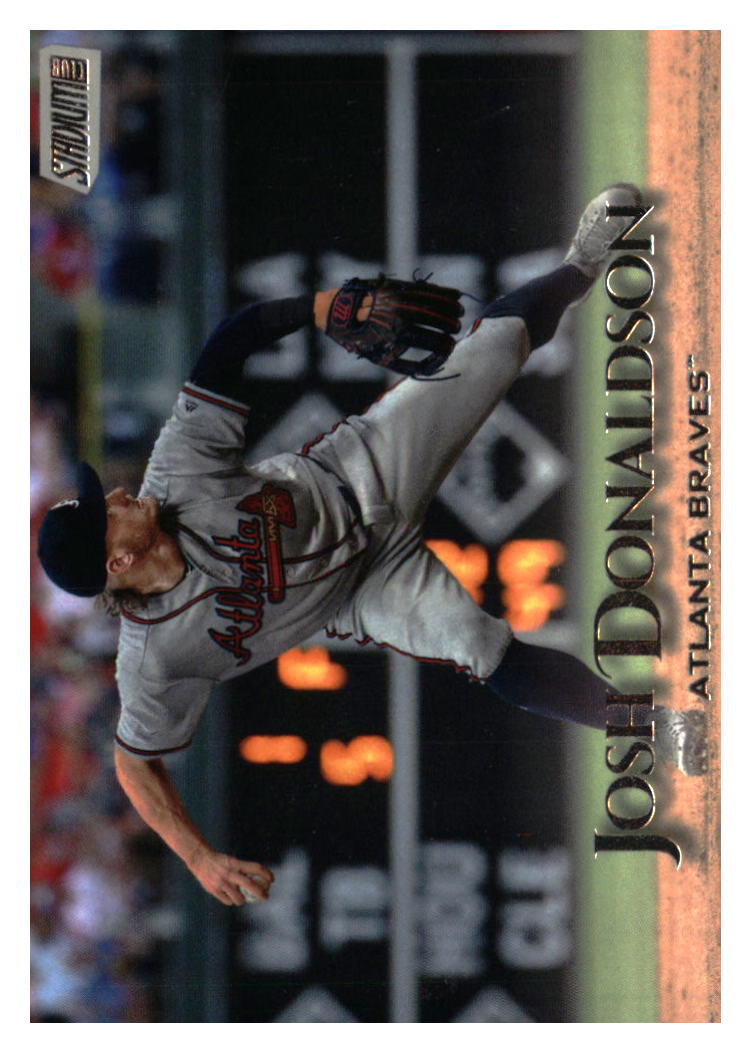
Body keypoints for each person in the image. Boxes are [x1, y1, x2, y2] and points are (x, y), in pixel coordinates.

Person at [37, 186, 706, 907]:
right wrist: (198, 859)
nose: (115, 495)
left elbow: (231, 339)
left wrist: (317, 307)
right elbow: (133, 764)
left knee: (489, 350)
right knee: (483, 651)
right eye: (103, 512)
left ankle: (582, 262)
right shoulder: (154, 657)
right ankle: (656, 729)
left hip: (359, 470)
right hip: (363, 591)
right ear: (117, 563)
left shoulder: (175, 474)